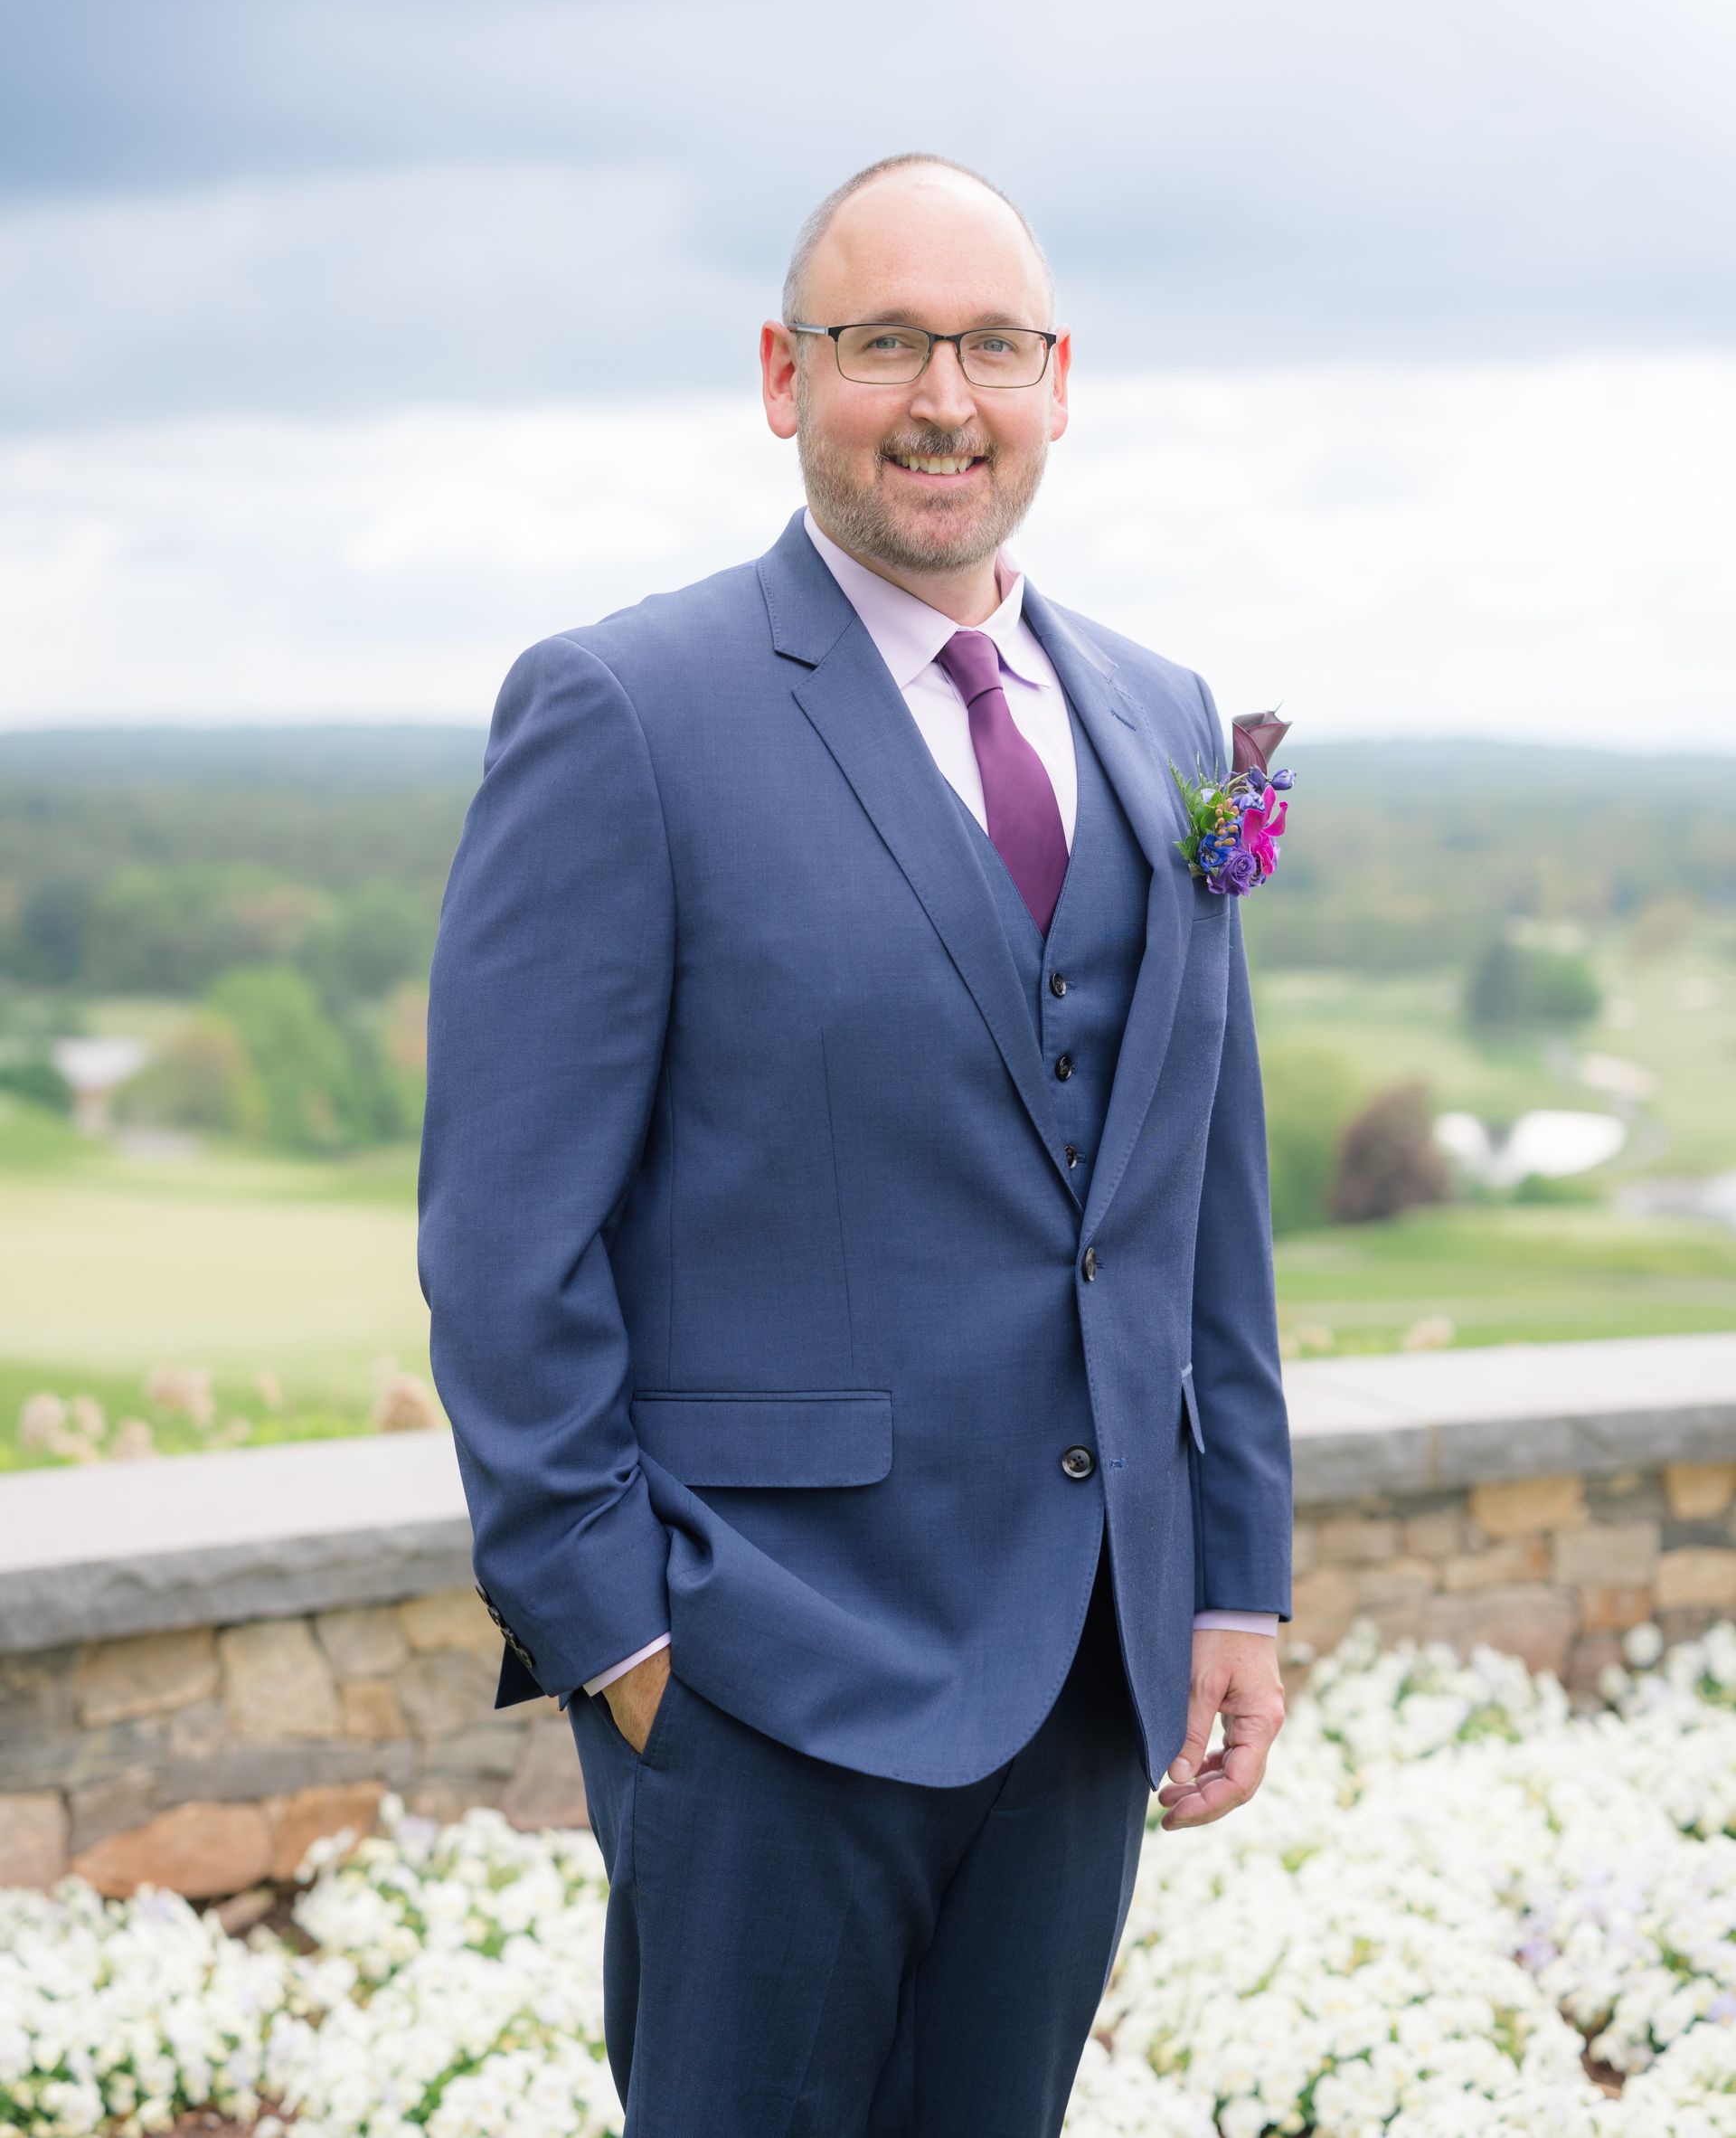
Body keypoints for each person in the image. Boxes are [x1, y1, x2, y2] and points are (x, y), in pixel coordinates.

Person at [417, 153, 1292, 2138]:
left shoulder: (1161, 718)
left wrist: (1232, 1580)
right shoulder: (623, 714)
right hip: (763, 1670)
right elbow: (503, 1243)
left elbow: (1193, 1201)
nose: (941, 398)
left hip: (1086, 1669)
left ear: (1060, 379)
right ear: (780, 374)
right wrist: (629, 1645)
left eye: (990, 345)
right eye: (881, 341)